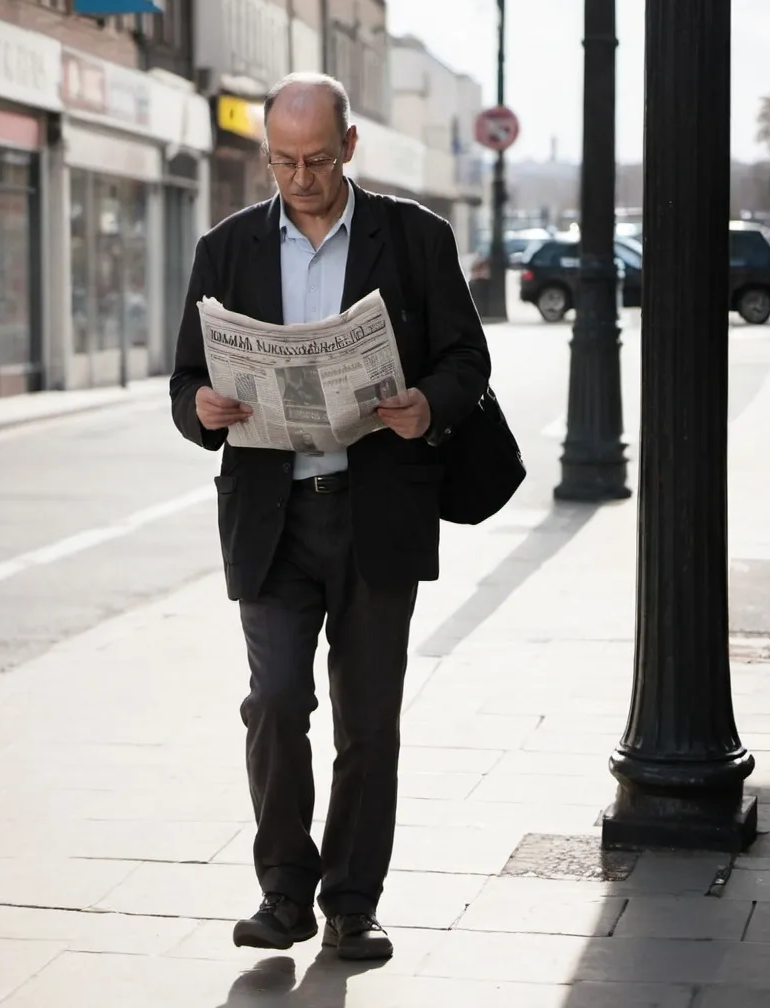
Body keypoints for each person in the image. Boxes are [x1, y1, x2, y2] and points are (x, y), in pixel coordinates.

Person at [169, 72, 491, 961]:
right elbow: (185, 378)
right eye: (282, 161)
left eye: (315, 159)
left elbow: (469, 357)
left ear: (350, 147)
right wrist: (200, 407)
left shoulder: (417, 239)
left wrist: (428, 403)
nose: (300, 178)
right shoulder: (225, 248)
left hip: (377, 508)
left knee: (368, 720)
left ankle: (353, 900)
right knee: (274, 702)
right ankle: (284, 892)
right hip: (271, 517)